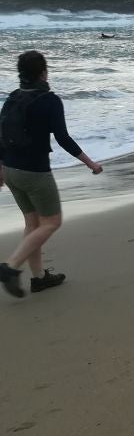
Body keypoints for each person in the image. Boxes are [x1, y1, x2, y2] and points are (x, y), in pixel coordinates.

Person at [0, 51, 103, 298]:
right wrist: (90, 163)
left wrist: (1, 169)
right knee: (52, 223)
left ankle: (39, 278)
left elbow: (1, 134)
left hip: (11, 170)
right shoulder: (50, 100)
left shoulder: (12, 98)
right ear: (44, 72)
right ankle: (11, 267)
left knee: (33, 224)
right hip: (35, 173)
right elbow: (63, 138)